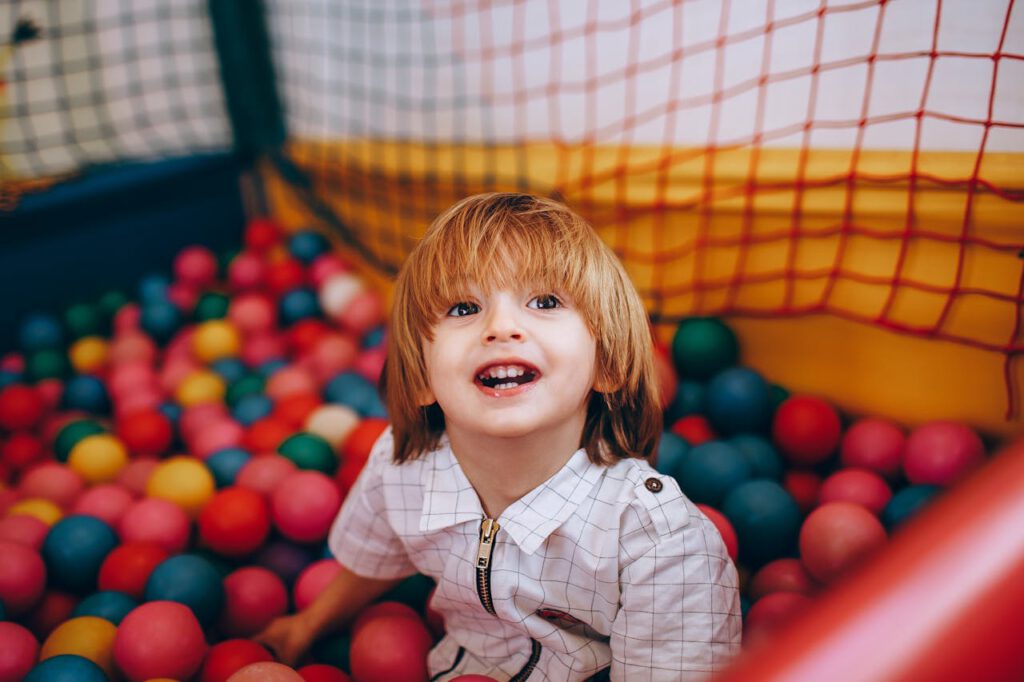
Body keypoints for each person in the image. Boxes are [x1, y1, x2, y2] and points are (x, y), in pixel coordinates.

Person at [255, 193, 742, 680]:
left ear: (607, 365)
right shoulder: (404, 468)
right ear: (421, 377)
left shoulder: (656, 538)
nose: (501, 327)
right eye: (465, 307)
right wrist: (307, 625)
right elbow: (378, 556)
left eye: (545, 301)